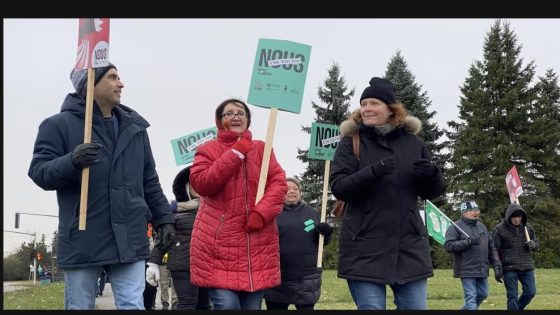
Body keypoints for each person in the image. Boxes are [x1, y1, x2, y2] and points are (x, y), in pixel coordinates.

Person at [28, 62, 176, 310]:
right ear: (90, 84)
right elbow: (39, 172)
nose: (121, 83)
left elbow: (149, 179)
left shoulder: (135, 128)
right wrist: (71, 161)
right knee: (80, 306)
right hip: (83, 236)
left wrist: (164, 218)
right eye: (112, 77)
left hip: (129, 236)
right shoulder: (56, 125)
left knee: (133, 305)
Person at [329, 77, 447, 310]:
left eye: (374, 103)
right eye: (364, 104)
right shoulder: (350, 142)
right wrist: (372, 172)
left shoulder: (414, 143)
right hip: (364, 246)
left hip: (409, 247)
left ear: (390, 109)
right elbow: (339, 188)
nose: (367, 109)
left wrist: (433, 175)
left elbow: (432, 193)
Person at [189, 98, 288, 310]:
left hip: (257, 242)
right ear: (219, 121)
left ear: (247, 120)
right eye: (229, 113)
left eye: (241, 113)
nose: (236, 116)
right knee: (227, 306)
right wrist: (236, 152)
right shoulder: (207, 149)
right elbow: (202, 184)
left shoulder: (263, 148)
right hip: (220, 246)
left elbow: (279, 183)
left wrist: (262, 213)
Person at [146, 166, 211, 310]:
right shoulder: (173, 213)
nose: (199, 186)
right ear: (187, 186)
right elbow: (164, 238)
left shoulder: (214, 211)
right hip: (182, 267)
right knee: (187, 304)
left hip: (208, 267)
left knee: (205, 306)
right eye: (195, 182)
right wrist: (154, 263)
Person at [264, 177, 334, 310]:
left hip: (306, 276)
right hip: (277, 276)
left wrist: (326, 234)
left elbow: (321, 242)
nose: (291, 191)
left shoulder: (311, 213)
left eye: (295, 189)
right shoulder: (271, 213)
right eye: (287, 189)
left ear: (300, 192)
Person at [444, 200, 502, 310]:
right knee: (471, 299)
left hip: (482, 269)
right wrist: (467, 242)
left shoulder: (482, 227)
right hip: (466, 270)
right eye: (473, 210)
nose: (476, 212)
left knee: (483, 294)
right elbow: (448, 246)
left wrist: (496, 263)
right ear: (464, 212)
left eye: (477, 210)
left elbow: (491, 246)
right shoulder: (455, 227)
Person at [492, 203, 539, 310]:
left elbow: (536, 244)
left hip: (527, 266)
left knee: (531, 292)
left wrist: (533, 244)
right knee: (512, 296)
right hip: (509, 268)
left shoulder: (528, 227)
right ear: (508, 216)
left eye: (519, 217)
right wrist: (496, 268)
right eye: (514, 217)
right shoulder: (499, 229)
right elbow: (494, 250)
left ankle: (516, 308)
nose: (517, 219)